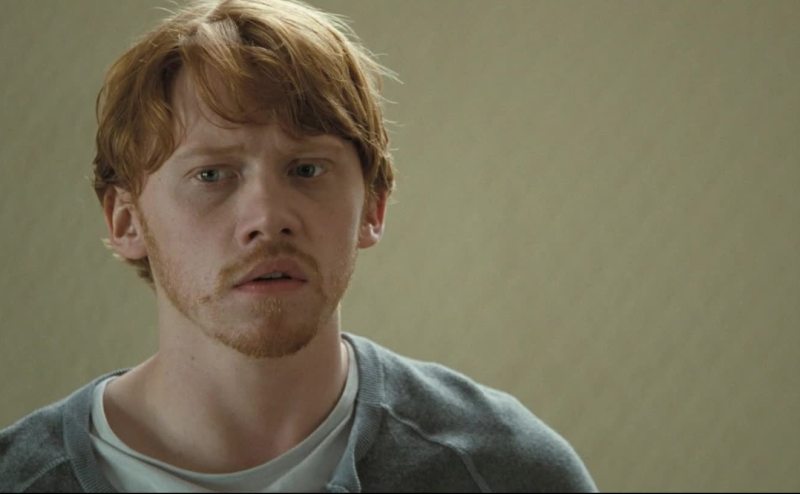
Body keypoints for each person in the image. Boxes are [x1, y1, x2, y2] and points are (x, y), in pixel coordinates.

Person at [0, 0, 597, 491]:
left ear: (373, 207)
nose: (267, 218)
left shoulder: (505, 471)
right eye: (212, 175)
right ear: (127, 221)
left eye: (307, 169)